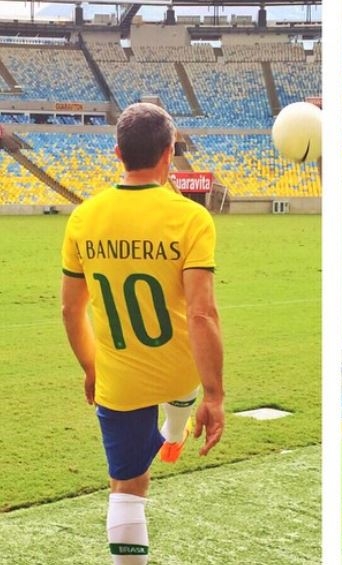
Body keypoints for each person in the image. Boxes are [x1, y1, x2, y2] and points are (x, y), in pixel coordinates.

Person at [61, 103, 225, 564]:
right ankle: (174, 431)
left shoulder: (83, 217)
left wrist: (91, 368)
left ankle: (167, 437)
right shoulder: (191, 218)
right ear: (169, 153)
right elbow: (202, 315)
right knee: (181, 380)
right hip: (179, 373)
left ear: (118, 153)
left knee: (127, 488)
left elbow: (71, 309)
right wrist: (214, 395)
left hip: (120, 380)